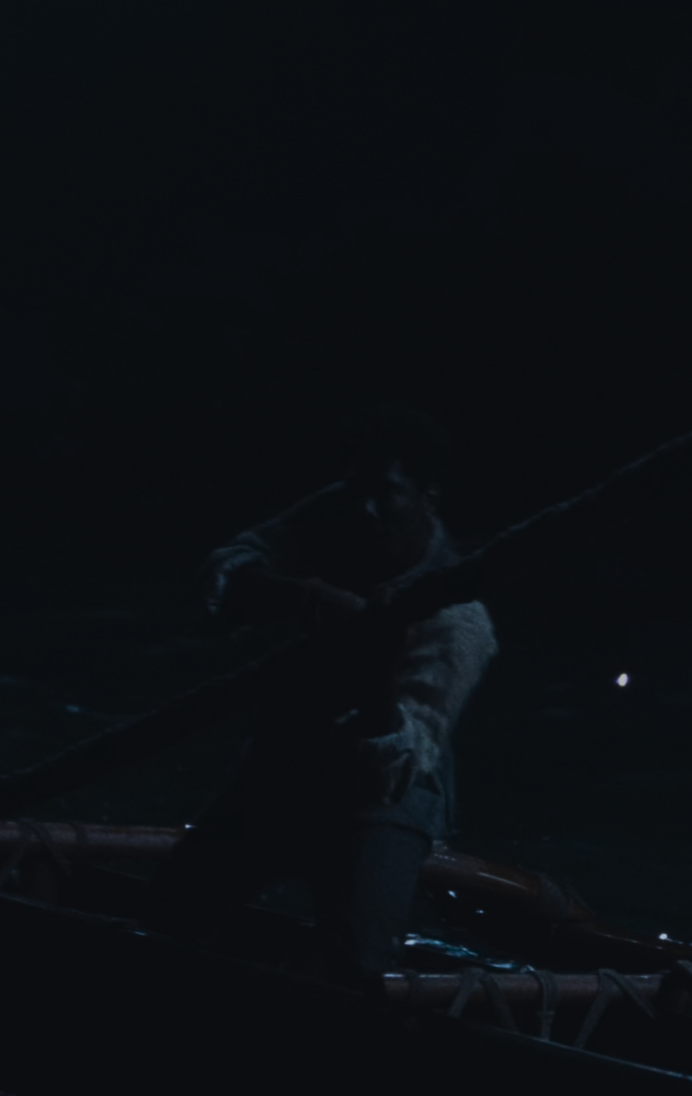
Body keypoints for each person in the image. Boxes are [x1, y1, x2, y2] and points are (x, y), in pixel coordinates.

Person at [146, 413, 497, 983]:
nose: (365, 509)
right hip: (288, 759)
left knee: (356, 969)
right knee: (166, 912)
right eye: (356, 490)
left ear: (428, 500)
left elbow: (399, 759)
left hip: (383, 796)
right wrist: (306, 594)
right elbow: (229, 568)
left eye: (384, 494)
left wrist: (376, 663)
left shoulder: (459, 622)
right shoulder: (336, 510)